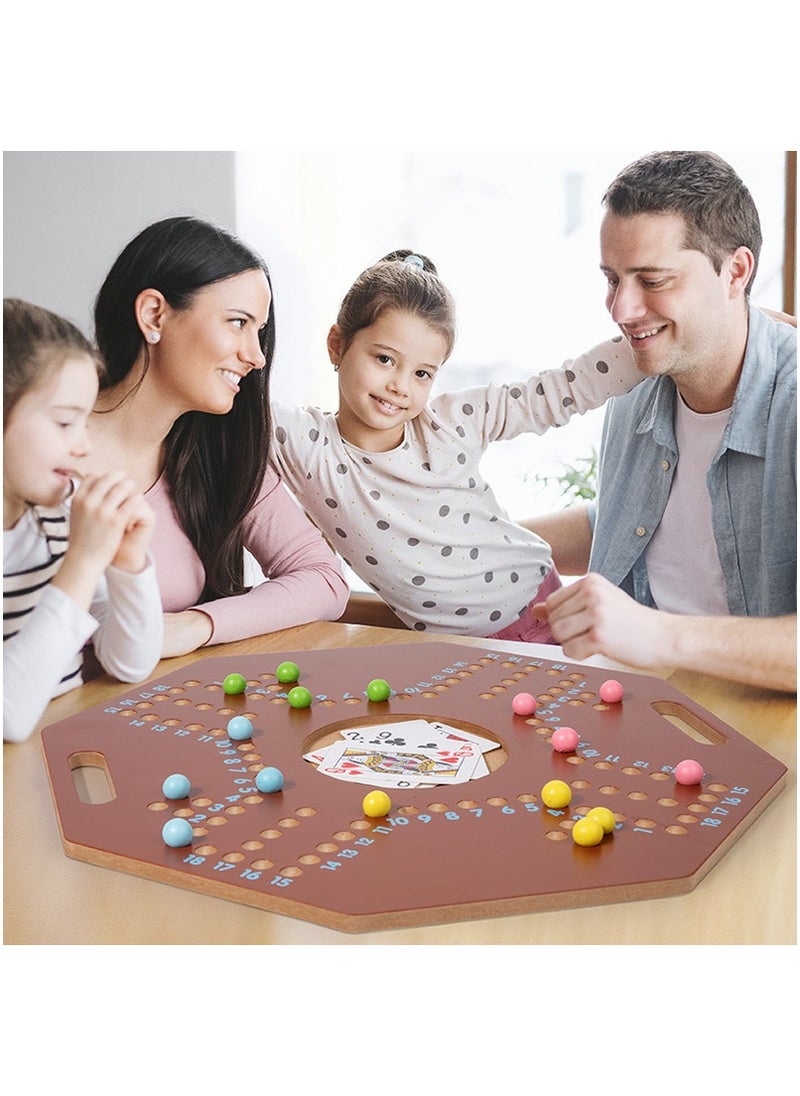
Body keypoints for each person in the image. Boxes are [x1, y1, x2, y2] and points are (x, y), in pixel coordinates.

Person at [270, 249, 643, 641]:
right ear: (336, 344)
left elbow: (559, 389)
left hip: (543, 606)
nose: (400, 385)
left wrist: (656, 339)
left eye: (422, 373)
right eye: (383, 359)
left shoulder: (450, 423)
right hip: (458, 643)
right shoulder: (304, 443)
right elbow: (227, 399)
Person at [529, 151, 796, 693]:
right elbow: (639, 524)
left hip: (762, 730)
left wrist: (656, 635)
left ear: (736, 272)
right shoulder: (636, 381)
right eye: (613, 279)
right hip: (629, 705)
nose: (622, 311)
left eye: (652, 279)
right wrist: (469, 545)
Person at [88, 216, 349, 656]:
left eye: (259, 330)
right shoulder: (37, 451)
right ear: (154, 314)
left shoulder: (216, 454)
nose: (256, 356)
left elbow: (323, 578)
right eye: (237, 322)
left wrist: (197, 626)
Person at [3, 299, 163, 742]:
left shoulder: (55, 516)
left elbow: (130, 663)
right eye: (64, 423)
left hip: (58, 753)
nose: (83, 448)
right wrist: (84, 561)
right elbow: (9, 715)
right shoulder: (71, 545)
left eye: (84, 424)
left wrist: (128, 564)